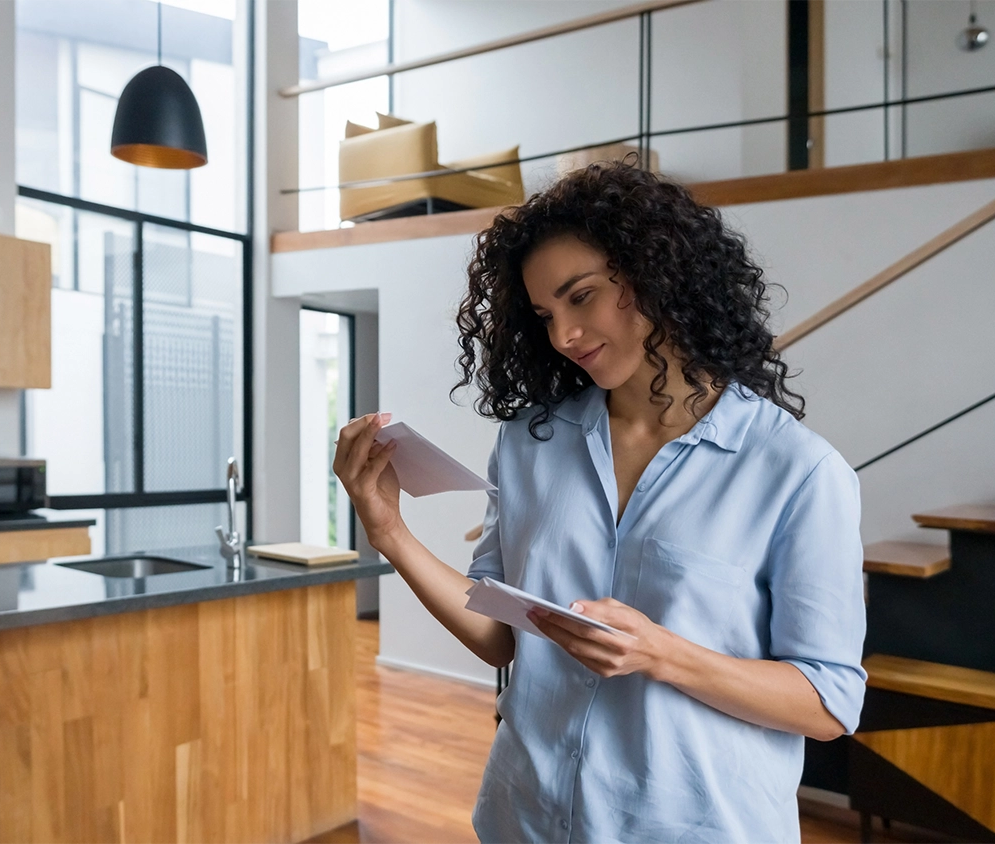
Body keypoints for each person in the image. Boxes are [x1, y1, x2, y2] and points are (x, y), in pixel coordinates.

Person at [333, 161, 867, 843]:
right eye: (544, 315)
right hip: (525, 816)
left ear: (657, 274)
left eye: (581, 297)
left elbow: (828, 703)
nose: (563, 337)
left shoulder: (796, 471)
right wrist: (390, 531)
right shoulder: (530, 444)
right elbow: (501, 636)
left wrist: (661, 654)